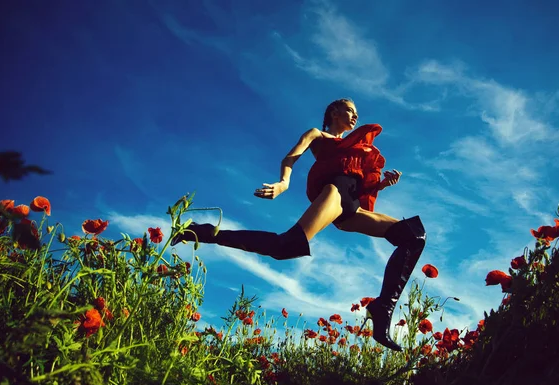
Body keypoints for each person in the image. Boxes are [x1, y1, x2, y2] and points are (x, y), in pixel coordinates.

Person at [172, 99, 426, 351]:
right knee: (287, 246)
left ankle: (383, 309)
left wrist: (382, 185)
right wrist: (283, 183)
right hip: (335, 192)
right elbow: (291, 157)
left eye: (357, 113)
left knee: (413, 236)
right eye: (350, 110)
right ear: (334, 112)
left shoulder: (357, 147)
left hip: (353, 204)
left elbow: (359, 184)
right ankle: (202, 232)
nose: (355, 116)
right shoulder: (318, 134)